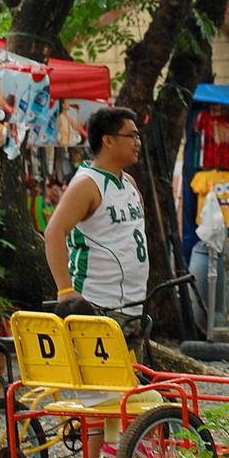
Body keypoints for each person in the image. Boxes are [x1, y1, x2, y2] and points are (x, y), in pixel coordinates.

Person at [43, 106, 149, 322]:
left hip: (133, 307)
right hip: (97, 306)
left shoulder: (129, 182)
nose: (137, 142)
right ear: (108, 141)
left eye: (138, 136)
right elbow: (54, 231)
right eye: (131, 135)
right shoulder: (87, 185)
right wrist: (65, 291)